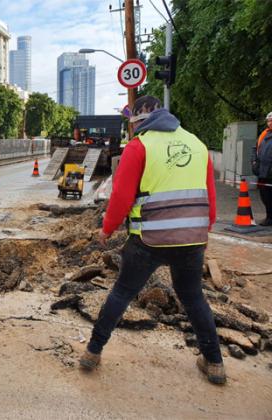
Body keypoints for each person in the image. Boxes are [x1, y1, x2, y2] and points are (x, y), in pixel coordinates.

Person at [79, 96, 226, 385]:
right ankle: (215, 363)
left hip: (149, 239)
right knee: (194, 297)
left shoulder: (140, 146)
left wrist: (106, 229)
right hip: (191, 240)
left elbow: (121, 197)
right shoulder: (197, 145)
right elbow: (210, 195)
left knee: (122, 292)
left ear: (137, 120)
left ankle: (92, 352)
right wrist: (205, 230)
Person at [254, 112, 272, 226]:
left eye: (271, 121)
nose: (269, 123)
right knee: (265, 197)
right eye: (268, 121)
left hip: (270, 173)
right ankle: (269, 217)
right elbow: (254, 148)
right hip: (263, 172)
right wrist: (254, 162)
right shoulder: (264, 134)